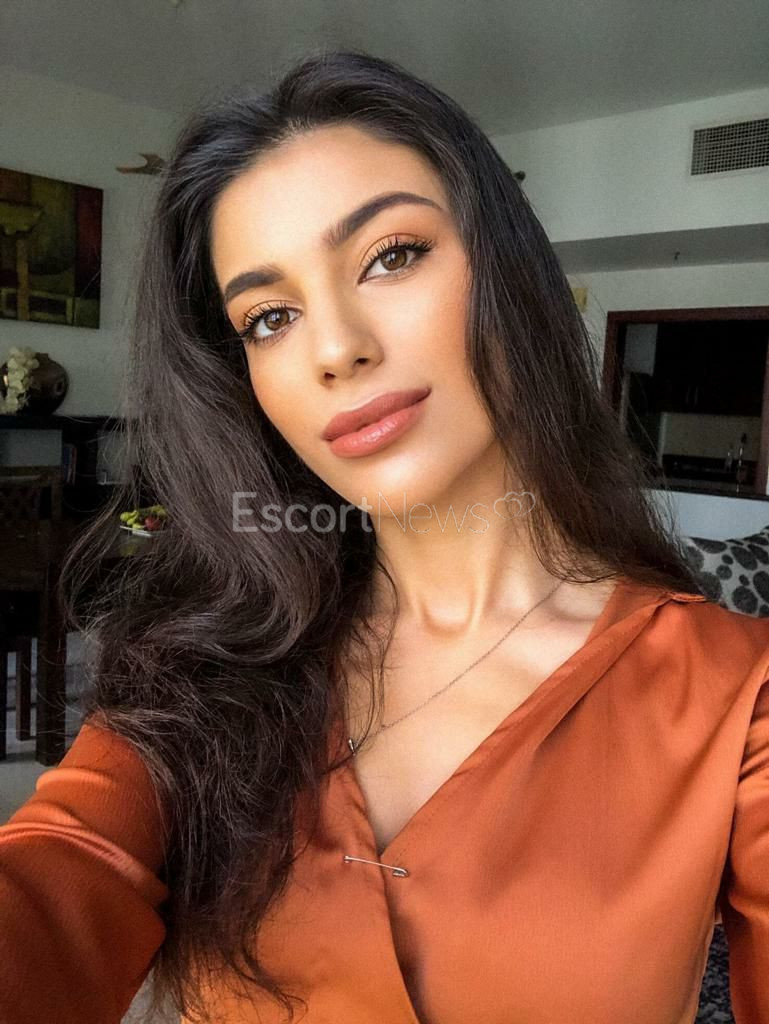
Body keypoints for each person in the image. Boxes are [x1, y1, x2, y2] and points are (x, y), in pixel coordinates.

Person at [1, 47, 768, 1024]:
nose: (334, 349)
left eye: (391, 255)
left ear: (506, 270)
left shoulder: (733, 694)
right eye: (269, 316)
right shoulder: (206, 662)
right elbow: (60, 870)